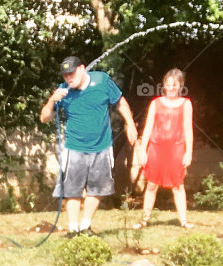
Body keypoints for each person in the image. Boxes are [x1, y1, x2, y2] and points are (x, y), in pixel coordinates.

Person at [40, 56, 139, 237]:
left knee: (98, 188)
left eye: (72, 73)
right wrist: (52, 101)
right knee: (72, 190)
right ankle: (72, 229)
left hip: (102, 146)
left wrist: (130, 123)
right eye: (65, 76)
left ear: (82, 68)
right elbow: (44, 118)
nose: (69, 78)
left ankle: (85, 226)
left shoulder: (102, 80)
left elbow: (120, 102)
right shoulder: (63, 91)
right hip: (74, 147)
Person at [136, 68, 194, 228]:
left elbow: (188, 129)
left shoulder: (186, 104)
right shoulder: (155, 103)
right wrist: (142, 150)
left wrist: (188, 152)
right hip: (155, 148)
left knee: (177, 185)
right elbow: (148, 127)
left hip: (176, 149)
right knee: (152, 184)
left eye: (174, 84)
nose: (171, 88)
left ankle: (183, 221)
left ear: (180, 85)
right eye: (168, 84)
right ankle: (144, 221)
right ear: (164, 85)